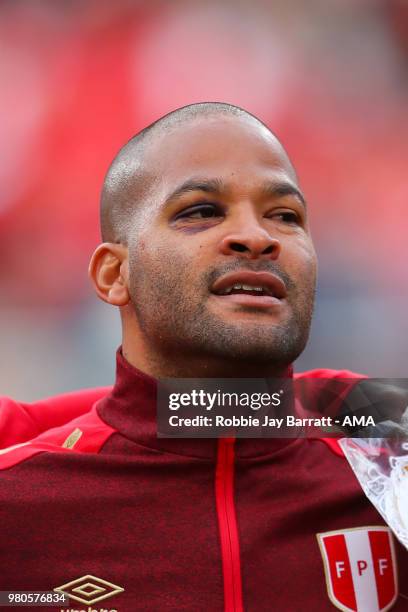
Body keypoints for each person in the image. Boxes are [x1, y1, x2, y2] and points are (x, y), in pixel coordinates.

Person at [0, 102, 406, 612]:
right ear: (113, 274)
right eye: (201, 211)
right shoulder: (19, 505)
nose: (258, 237)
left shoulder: (386, 460)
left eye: (285, 216)